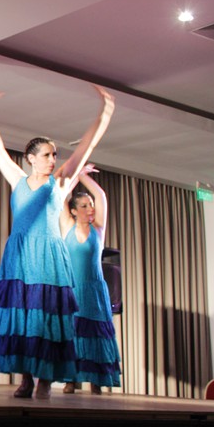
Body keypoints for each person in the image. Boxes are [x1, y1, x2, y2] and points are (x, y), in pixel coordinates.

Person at [0, 85, 114, 399]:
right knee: (23, 316)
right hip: (21, 255)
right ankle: (26, 378)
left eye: (54, 154)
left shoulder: (60, 182)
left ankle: (44, 380)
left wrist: (105, 112)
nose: (53, 159)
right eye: (47, 155)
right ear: (30, 159)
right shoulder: (17, 179)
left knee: (47, 318)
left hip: (49, 256)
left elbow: (87, 147)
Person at [59, 165, 122, 393]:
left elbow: (101, 195)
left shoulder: (98, 229)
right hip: (73, 290)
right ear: (74, 211)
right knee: (72, 333)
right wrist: (75, 173)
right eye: (84, 206)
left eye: (91, 205)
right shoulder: (67, 225)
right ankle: (70, 380)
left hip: (94, 292)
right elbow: (63, 194)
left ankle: (96, 381)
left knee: (95, 334)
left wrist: (84, 175)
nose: (90, 208)